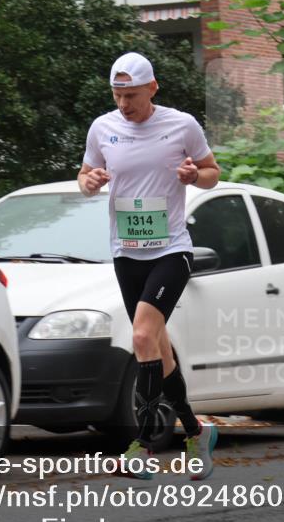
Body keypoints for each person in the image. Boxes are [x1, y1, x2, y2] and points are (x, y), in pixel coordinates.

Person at [78, 52, 221, 480]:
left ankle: (140, 447)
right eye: (118, 96)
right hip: (126, 251)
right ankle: (196, 432)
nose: (125, 105)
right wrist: (91, 182)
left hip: (170, 249)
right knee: (157, 350)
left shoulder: (182, 125)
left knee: (141, 334)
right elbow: (85, 177)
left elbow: (213, 171)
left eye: (133, 95)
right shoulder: (103, 128)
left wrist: (194, 176)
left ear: (153, 88)